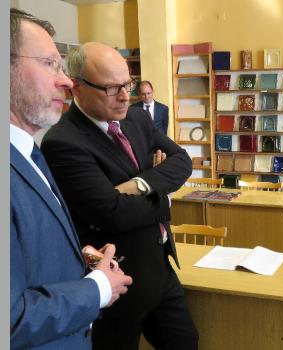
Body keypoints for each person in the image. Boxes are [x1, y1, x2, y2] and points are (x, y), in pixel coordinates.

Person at [41, 42, 198, 350]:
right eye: (112, 89)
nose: (126, 95)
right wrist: (163, 200)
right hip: (115, 280)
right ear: (77, 88)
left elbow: (182, 160)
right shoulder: (62, 142)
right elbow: (111, 212)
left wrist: (140, 185)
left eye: (128, 84)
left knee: (186, 341)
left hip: (160, 265)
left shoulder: (137, 119)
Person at [9, 8, 133, 349]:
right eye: (49, 63)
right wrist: (98, 288)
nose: (66, 80)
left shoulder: (29, 153)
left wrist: (74, 258)